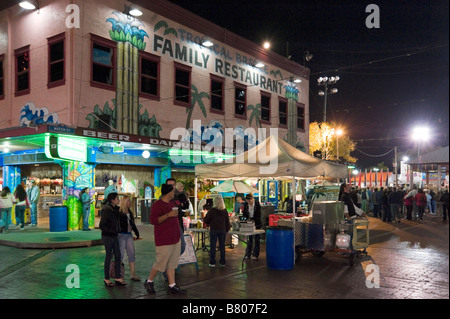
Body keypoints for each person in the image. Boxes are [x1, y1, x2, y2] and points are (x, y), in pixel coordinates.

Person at [144, 184, 186, 295]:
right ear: (168, 193)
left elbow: (183, 200)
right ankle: (149, 281)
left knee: (172, 263)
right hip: (164, 239)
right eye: (173, 192)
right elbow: (153, 220)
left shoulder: (172, 203)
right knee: (160, 262)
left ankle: (172, 285)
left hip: (175, 237)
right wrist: (168, 215)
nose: (174, 194)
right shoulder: (157, 205)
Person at [99, 192, 126, 287]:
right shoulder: (107, 211)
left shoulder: (115, 210)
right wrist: (112, 231)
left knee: (118, 255)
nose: (118, 200)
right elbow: (102, 225)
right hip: (107, 236)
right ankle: (106, 278)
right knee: (109, 256)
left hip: (114, 235)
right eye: (117, 198)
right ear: (112, 200)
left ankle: (117, 276)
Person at [203, 196, 231, 267]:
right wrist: (227, 229)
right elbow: (227, 222)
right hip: (222, 230)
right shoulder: (224, 211)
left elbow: (206, 220)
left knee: (213, 246)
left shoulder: (212, 211)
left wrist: (209, 223)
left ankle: (212, 262)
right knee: (222, 246)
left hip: (214, 230)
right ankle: (222, 262)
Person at [118, 195, 141, 281]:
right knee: (121, 255)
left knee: (131, 254)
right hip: (121, 235)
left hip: (129, 234)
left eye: (130, 201)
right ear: (124, 202)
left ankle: (132, 273)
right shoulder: (120, 212)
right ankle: (119, 274)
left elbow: (132, 224)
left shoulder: (130, 212)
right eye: (128, 201)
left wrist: (137, 233)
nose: (130, 203)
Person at [242, 193, 262, 260]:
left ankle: (255, 254)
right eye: (248, 201)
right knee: (249, 239)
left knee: (256, 239)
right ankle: (248, 253)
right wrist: (245, 219)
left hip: (257, 224)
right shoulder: (245, 205)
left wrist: (253, 219)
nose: (249, 202)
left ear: (252, 199)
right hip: (248, 224)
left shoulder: (256, 204)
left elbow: (258, 214)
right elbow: (244, 213)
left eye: (250, 200)